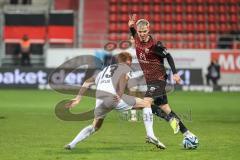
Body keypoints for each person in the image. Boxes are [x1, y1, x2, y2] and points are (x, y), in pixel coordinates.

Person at [64, 52, 166, 150]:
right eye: (129, 62)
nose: (130, 65)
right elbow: (124, 78)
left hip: (100, 101)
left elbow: (87, 82)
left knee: (95, 126)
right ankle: (150, 135)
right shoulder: (124, 67)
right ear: (125, 62)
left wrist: (78, 98)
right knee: (146, 104)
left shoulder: (103, 70)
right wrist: (120, 93)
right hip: (113, 98)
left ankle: (72, 144)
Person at [128, 14, 197, 139]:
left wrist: (175, 73)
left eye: (144, 31)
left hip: (158, 80)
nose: (142, 34)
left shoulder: (155, 45)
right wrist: (131, 25)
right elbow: (132, 31)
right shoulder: (136, 38)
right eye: (140, 32)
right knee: (165, 107)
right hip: (150, 81)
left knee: (144, 103)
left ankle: (168, 122)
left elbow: (169, 56)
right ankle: (187, 133)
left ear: (148, 29)